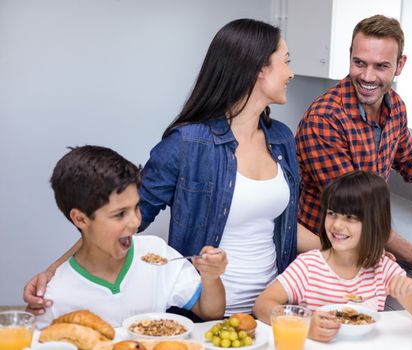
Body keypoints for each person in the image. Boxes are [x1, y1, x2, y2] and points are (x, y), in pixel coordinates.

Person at [24, 18, 318, 317]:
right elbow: (126, 218)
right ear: (259, 69)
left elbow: (283, 227)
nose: (291, 73)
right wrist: (54, 272)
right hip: (205, 315)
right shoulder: (187, 143)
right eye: (286, 61)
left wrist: (348, 249)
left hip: (270, 313)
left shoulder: (280, 138)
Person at [295, 15, 412, 268]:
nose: (367, 76)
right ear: (350, 55)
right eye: (359, 63)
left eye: (381, 66)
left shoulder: (394, 105)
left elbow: (409, 159)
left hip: (366, 245)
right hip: (323, 257)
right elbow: (354, 205)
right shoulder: (325, 119)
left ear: (400, 64)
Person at [35, 145, 226, 328]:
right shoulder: (56, 295)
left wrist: (211, 277)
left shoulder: (157, 253)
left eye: (136, 207)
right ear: (81, 219)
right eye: (120, 214)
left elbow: (210, 312)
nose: (135, 222)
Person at [253, 171, 412, 342]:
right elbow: (262, 305)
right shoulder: (309, 266)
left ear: (374, 224)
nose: (337, 225)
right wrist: (306, 325)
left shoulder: (383, 269)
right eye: (332, 214)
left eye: (350, 218)